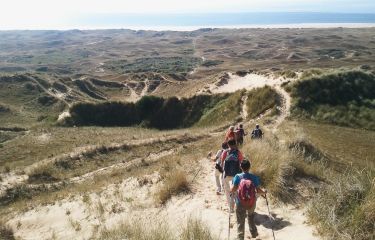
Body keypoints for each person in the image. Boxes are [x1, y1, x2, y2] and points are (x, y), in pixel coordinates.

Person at [230, 159, 267, 239]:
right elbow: (258, 190)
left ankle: (240, 237)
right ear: (249, 167)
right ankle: (254, 233)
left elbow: (233, 190)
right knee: (250, 217)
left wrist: (231, 188)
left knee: (240, 221)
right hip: (251, 202)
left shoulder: (237, 176)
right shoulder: (254, 177)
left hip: (240, 202)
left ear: (241, 167)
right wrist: (264, 192)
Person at [221, 139, 244, 212]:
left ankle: (231, 208)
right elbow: (241, 164)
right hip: (236, 175)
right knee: (236, 191)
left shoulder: (225, 152)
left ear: (228, 145)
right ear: (235, 144)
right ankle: (238, 206)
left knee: (228, 191)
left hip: (227, 174)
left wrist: (223, 173)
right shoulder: (238, 152)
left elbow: (222, 164)